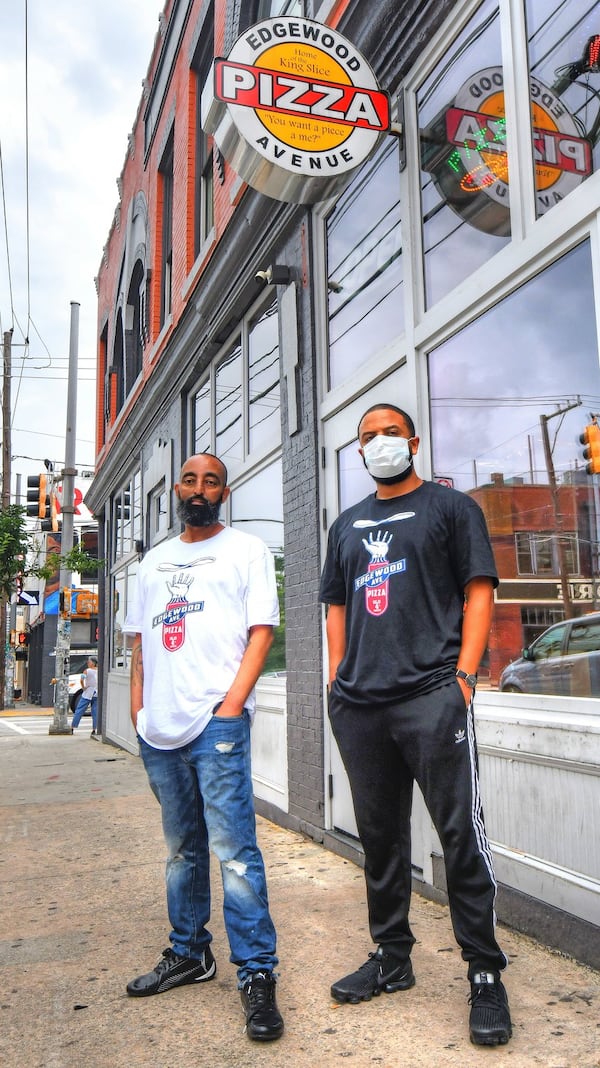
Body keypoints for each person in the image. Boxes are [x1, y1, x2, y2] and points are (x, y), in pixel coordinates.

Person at [319, 404, 512, 1047]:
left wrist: (463, 677)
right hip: (361, 706)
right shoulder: (346, 526)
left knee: (459, 834)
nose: (378, 444)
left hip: (432, 694)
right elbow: (337, 605)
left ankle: (484, 971)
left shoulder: (452, 510)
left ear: (415, 442)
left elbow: (479, 590)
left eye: (389, 433)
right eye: (367, 437)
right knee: (381, 838)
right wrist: (337, 681)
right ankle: (392, 957)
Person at [123, 453, 284, 1043]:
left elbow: (261, 630)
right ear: (178, 492)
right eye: (188, 480)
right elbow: (139, 642)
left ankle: (257, 973)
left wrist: (231, 706)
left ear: (224, 490)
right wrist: (139, 711)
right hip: (158, 729)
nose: (197, 488)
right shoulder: (153, 562)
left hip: (215, 721)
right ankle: (190, 954)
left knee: (234, 850)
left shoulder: (247, 550)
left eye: (209, 480)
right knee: (180, 851)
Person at [71, 656, 98, 734]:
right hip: (96, 693)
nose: (88, 663)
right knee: (95, 712)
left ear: (93, 663)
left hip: (87, 693)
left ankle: (73, 727)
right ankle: (94, 729)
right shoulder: (99, 671)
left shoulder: (87, 671)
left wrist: (83, 687)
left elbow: (81, 680)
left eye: (89, 662)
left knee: (79, 710)